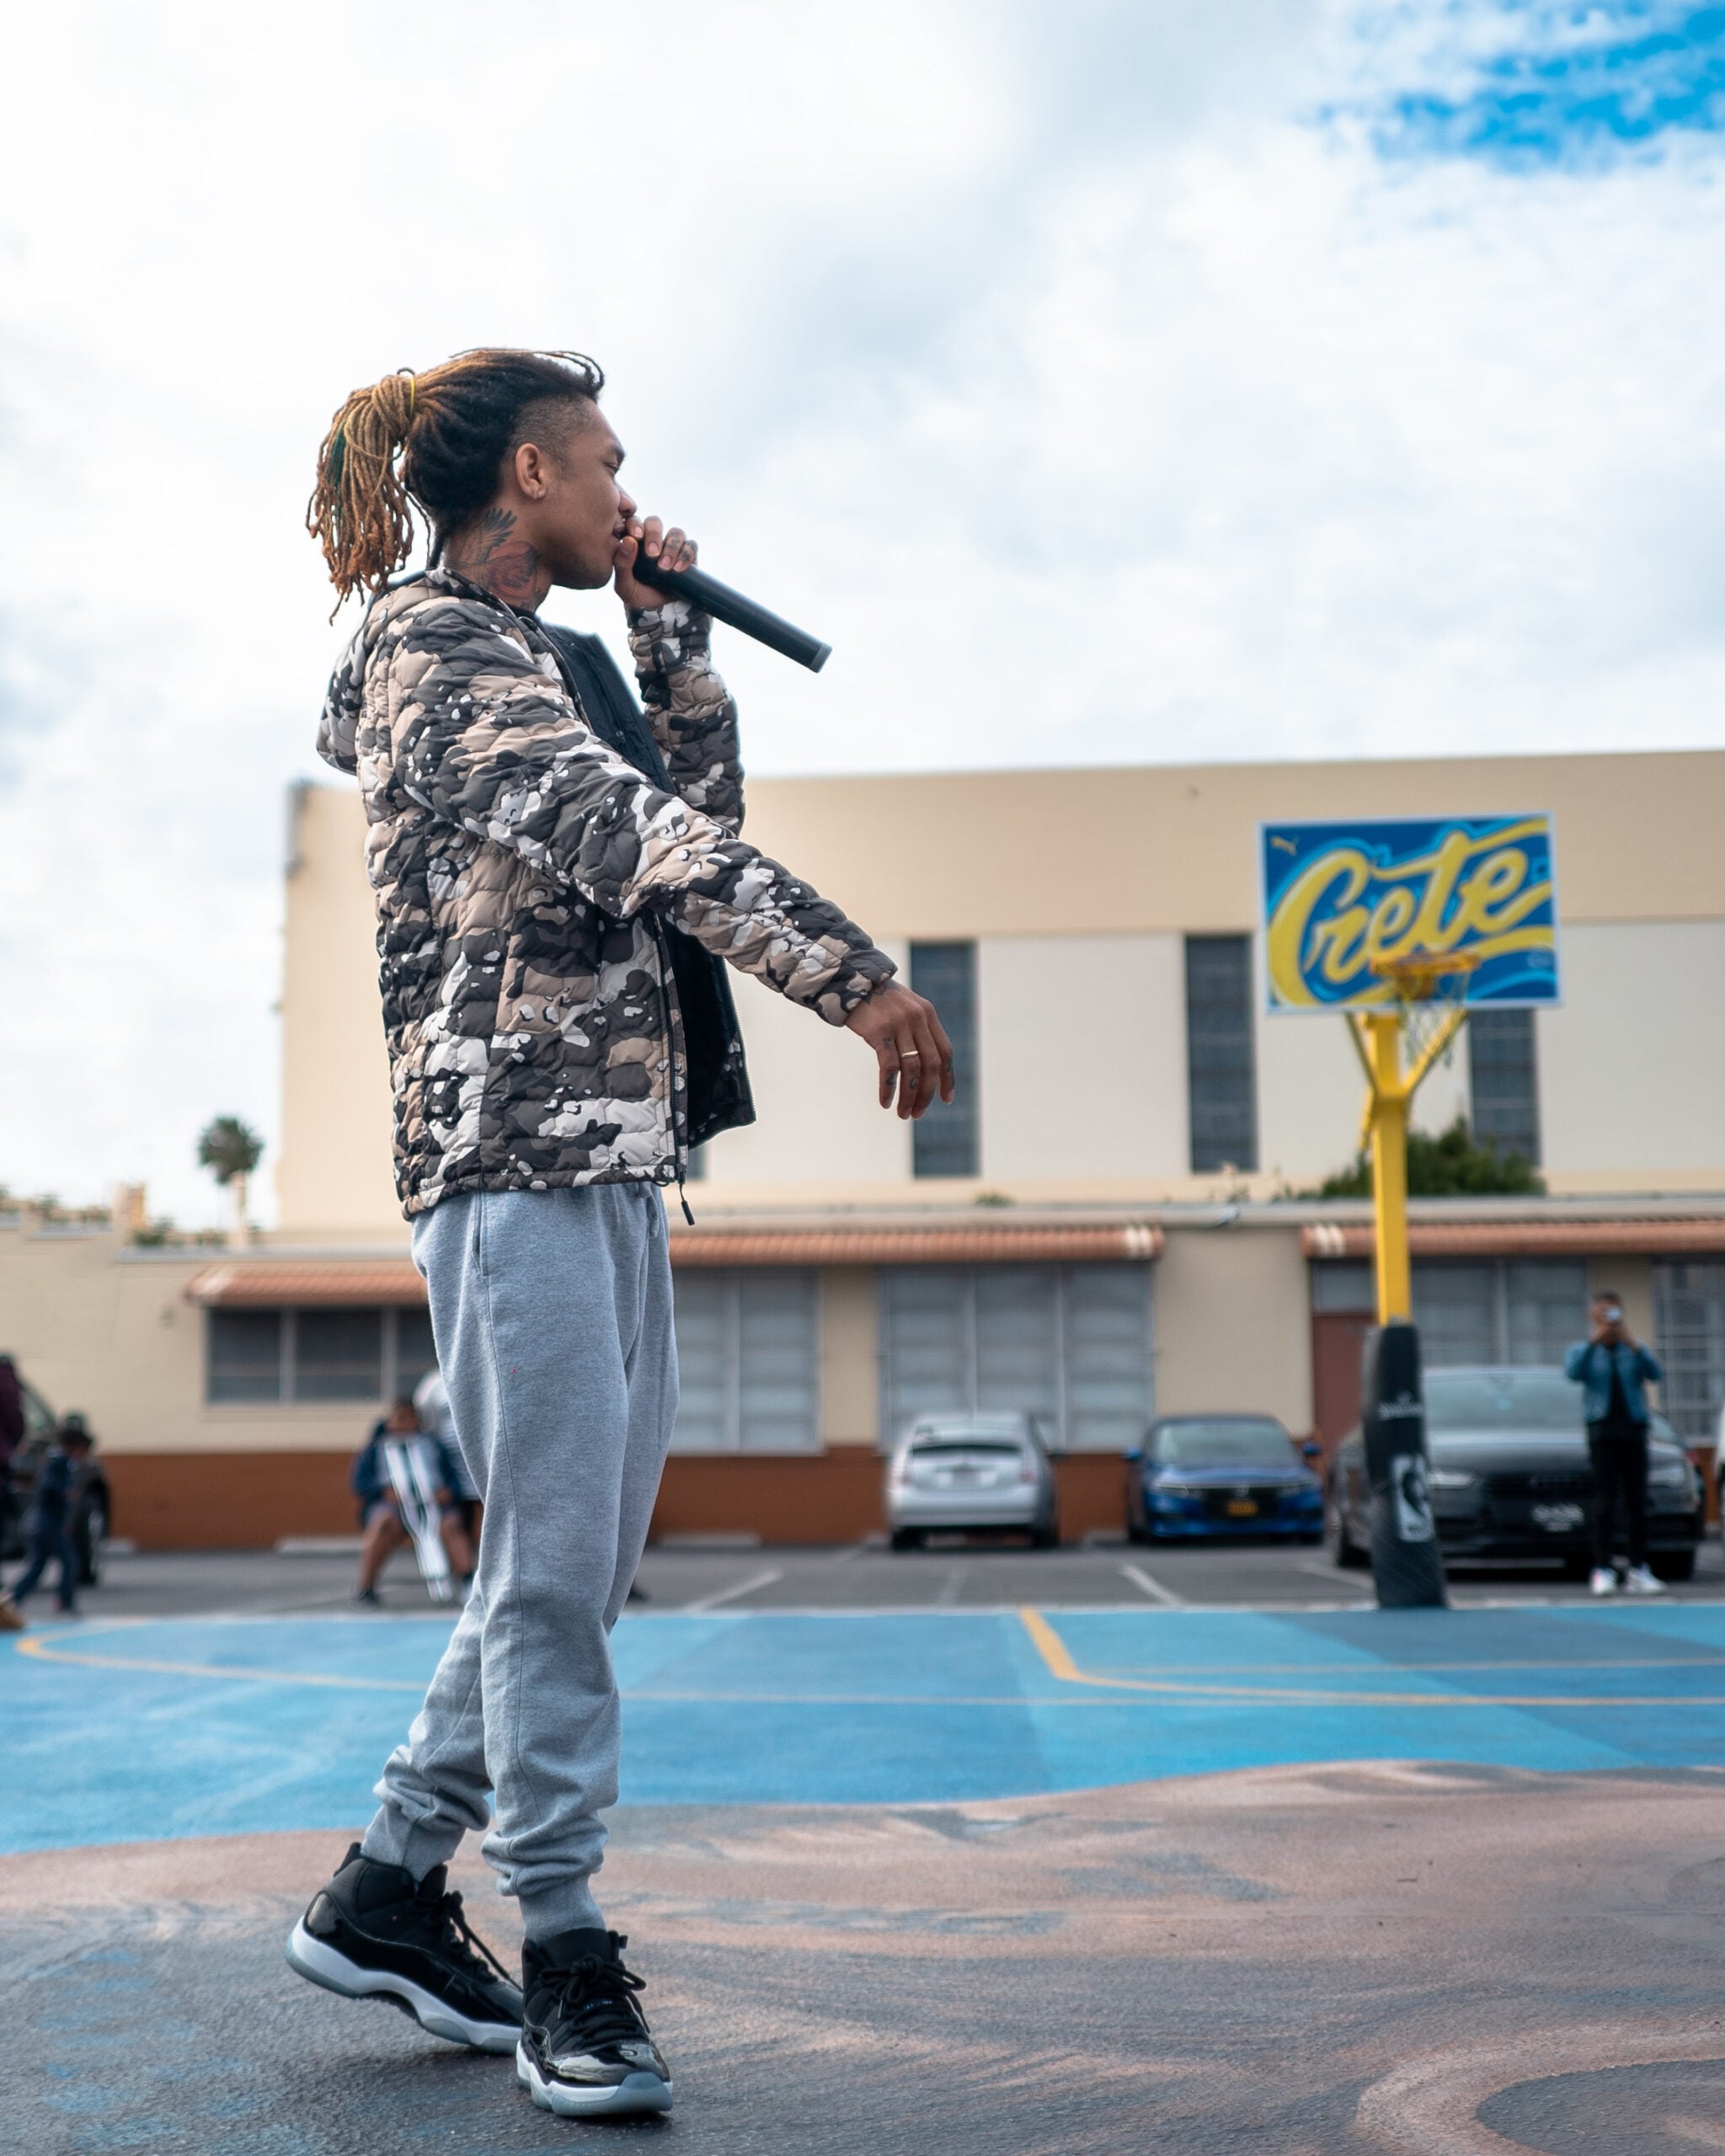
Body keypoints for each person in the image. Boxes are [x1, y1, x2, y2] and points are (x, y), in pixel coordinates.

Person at [285, 349, 953, 2120]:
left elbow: (690, 826)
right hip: (508, 1152)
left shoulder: (548, 662)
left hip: (609, 1154)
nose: (626, 493)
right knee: (558, 1559)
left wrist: (672, 650)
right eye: (604, 463)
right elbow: (632, 835)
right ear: (529, 474)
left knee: (565, 1556)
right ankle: (565, 1946)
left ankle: (386, 1884)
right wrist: (853, 975)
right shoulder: (427, 650)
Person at [1566, 1292, 1666, 1597]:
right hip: (1602, 1431)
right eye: (1603, 1312)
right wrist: (1595, 1341)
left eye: (1614, 1313)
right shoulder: (1584, 1349)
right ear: (1593, 1315)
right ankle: (1603, 1568)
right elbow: (1573, 1373)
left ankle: (1638, 1568)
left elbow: (1655, 1373)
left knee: (1637, 1501)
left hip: (1633, 1430)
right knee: (1605, 1500)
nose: (1609, 1319)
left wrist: (1632, 1342)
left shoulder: (1632, 1349)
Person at [352, 1397, 476, 1605]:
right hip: (394, 1506)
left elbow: (452, 1477)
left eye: (409, 1417)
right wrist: (382, 1492)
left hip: (433, 1504)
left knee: (452, 1525)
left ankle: (467, 1582)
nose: (404, 1422)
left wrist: (448, 1492)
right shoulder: (375, 1449)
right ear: (389, 1421)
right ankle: (366, 1586)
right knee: (383, 1524)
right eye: (399, 1417)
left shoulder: (433, 1445)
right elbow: (359, 1483)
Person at [0, 1417, 93, 1629]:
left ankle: (11, 1600)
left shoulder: (57, 1461)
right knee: (69, 1562)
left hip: (42, 1522)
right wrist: (66, 1493)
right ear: (75, 1447)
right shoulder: (58, 1463)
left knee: (37, 1567)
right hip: (47, 1524)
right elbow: (49, 1487)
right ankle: (65, 1603)